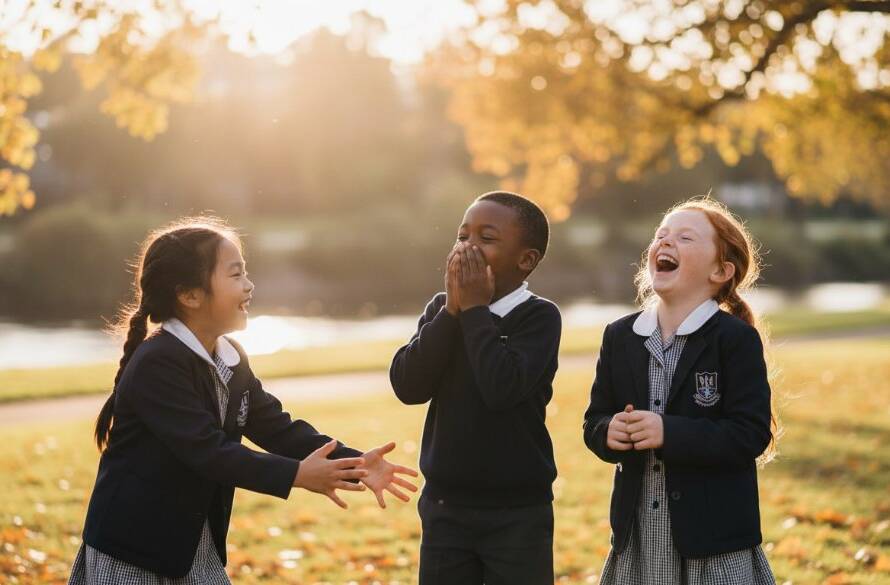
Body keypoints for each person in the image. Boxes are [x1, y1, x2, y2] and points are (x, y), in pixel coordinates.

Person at [69, 216, 417, 584]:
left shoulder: (230, 358)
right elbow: (209, 451)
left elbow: (278, 428)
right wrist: (297, 475)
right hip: (133, 552)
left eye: (245, 273)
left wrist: (356, 462)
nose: (249, 286)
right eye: (235, 275)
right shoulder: (158, 362)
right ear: (189, 295)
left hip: (192, 550)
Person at [583, 197, 778, 584]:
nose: (666, 242)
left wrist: (667, 432)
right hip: (638, 537)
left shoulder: (734, 339)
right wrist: (609, 432)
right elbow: (594, 420)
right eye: (661, 235)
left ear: (721, 270)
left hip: (714, 542)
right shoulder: (620, 336)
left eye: (685, 238)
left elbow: (749, 434)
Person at [390, 191, 561, 584]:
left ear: (526, 260)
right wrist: (453, 311)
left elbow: (500, 388)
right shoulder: (442, 310)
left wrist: (475, 310)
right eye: (462, 235)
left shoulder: (539, 318)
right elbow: (407, 385)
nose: (467, 246)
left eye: (486, 238)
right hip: (445, 506)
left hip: (517, 511)